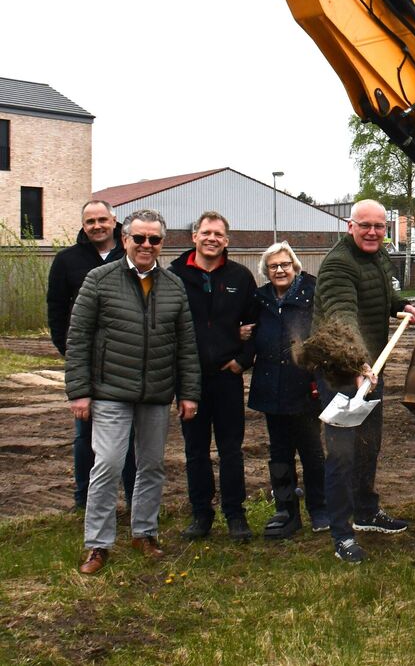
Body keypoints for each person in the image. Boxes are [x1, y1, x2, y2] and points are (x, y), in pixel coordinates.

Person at [65, 209, 201, 574]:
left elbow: (186, 346)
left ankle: (144, 532)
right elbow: (77, 338)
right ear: (124, 239)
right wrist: (79, 391)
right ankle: (97, 544)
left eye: (153, 239)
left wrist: (189, 393)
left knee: (152, 466)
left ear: (162, 243)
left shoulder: (173, 286)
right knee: (107, 464)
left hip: (156, 393)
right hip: (110, 390)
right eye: (138, 238)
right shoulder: (99, 279)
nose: (145, 245)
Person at [313, 199, 415, 564]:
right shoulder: (337, 265)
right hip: (340, 369)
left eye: (379, 226)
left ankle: (366, 512)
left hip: (368, 368)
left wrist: (400, 306)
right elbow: (343, 316)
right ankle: (341, 535)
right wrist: (358, 361)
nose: (373, 232)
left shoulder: (376, 256)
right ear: (350, 226)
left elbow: (378, 296)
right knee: (342, 453)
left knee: (368, 445)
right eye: (365, 226)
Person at [169, 212, 260, 542]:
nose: (212, 238)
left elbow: (256, 325)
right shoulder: (175, 276)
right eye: (205, 232)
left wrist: (242, 361)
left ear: (227, 240)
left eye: (218, 234)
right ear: (194, 236)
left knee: (231, 450)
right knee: (195, 451)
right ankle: (201, 514)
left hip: (227, 379)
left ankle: (235, 515)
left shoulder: (240, 276)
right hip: (190, 379)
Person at [47, 200, 135, 511]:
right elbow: (56, 311)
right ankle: (84, 499)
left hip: (127, 359)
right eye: (90, 221)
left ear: (114, 221)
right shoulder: (67, 260)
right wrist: (70, 352)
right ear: (83, 225)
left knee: (129, 435)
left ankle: (134, 499)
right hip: (86, 362)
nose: (96, 226)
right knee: (85, 434)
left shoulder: (132, 254)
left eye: (102, 219)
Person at [247, 241, 328, 539]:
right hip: (271, 387)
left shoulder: (312, 294)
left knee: (311, 451)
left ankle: (320, 508)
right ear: (266, 272)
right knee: (279, 453)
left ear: (295, 266)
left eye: (284, 265)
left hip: (304, 387)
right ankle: (285, 509)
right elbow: (248, 330)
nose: (280, 270)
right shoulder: (260, 299)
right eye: (273, 266)